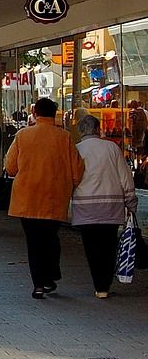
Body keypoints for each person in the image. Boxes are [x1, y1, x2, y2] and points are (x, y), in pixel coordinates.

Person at [4, 97, 85, 299]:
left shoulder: (23, 135)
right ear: (54, 113)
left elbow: (10, 167)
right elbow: (77, 170)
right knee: (50, 238)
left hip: (27, 198)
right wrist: (68, 185)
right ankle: (50, 276)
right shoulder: (64, 137)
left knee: (34, 242)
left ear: (35, 113)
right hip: (54, 197)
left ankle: (38, 284)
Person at [72, 114, 138, 298]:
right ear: (98, 129)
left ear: (80, 131)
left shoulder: (76, 150)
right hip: (111, 206)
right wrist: (131, 202)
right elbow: (125, 177)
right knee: (109, 245)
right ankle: (104, 285)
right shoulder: (111, 148)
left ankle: (98, 285)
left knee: (91, 247)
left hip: (85, 207)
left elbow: (71, 178)